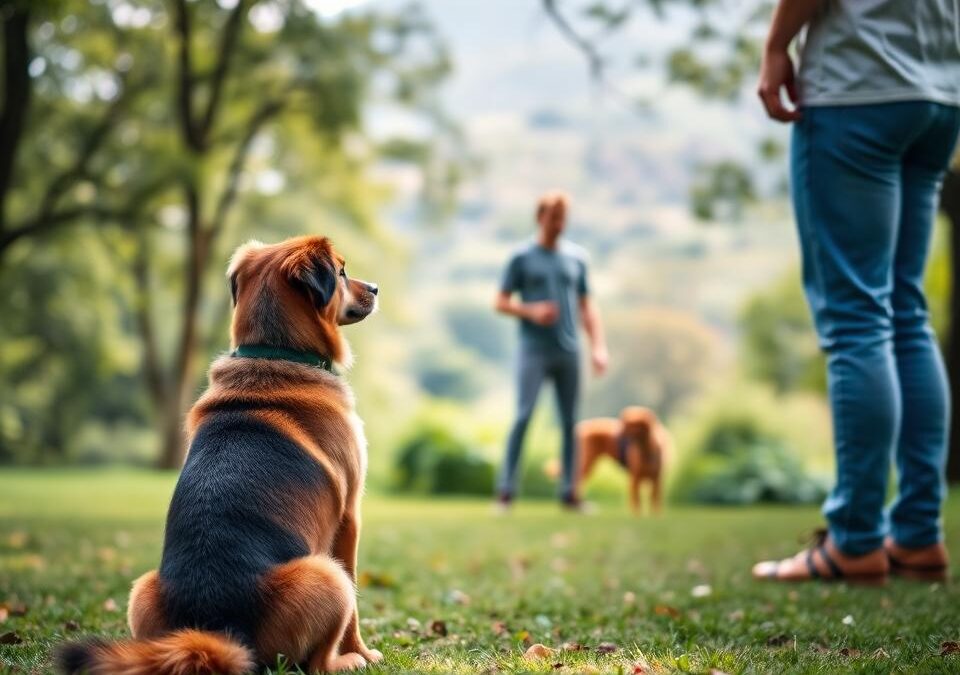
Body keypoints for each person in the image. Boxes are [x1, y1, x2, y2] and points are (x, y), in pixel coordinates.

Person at [753, 0, 960, 583]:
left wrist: (776, 47)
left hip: (858, 90)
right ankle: (918, 535)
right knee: (905, 313)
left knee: (858, 319)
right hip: (941, 94)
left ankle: (855, 539)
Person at [494, 191, 608, 511]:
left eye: (563, 219)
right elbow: (500, 302)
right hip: (533, 350)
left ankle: (570, 494)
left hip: (570, 351)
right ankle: (505, 492)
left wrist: (598, 347)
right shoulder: (522, 258)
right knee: (523, 415)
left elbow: (587, 306)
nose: (559, 225)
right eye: (553, 218)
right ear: (540, 218)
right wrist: (532, 311)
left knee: (571, 422)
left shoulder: (576, 259)